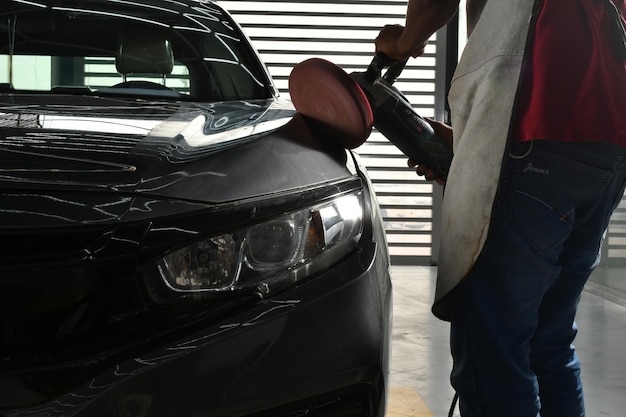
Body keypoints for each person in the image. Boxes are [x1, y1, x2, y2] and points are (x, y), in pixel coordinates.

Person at [375, 0, 626, 416]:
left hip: (539, 130)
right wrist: (477, 145)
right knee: (549, 339)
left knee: (496, 344)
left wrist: (403, 41)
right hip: (608, 142)